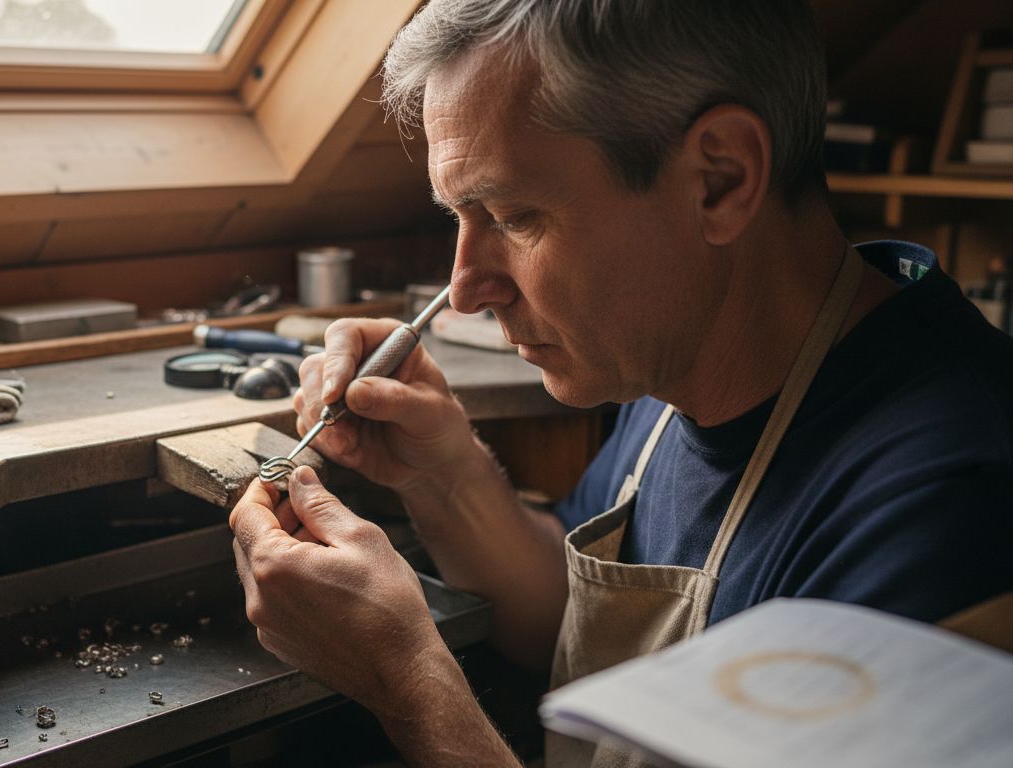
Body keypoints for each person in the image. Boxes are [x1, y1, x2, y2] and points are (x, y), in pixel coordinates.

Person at [228, 1, 1013, 765]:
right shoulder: (680, 348)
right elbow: (574, 627)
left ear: (720, 178)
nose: (465, 290)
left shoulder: (945, 501)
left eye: (514, 216)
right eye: (459, 217)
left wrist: (405, 683)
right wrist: (443, 475)